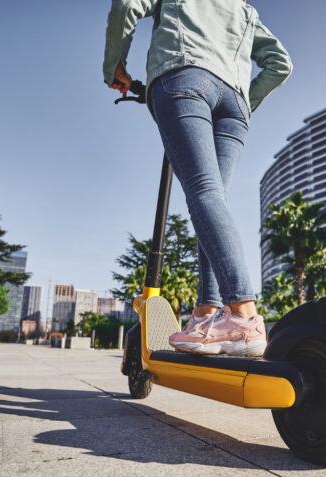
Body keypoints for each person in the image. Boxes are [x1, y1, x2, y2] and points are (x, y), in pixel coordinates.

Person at [104, 0, 291, 357]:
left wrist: (115, 65)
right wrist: (246, 101)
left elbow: (126, 4)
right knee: (212, 200)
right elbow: (281, 64)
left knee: (204, 194)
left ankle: (243, 316)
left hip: (183, 78)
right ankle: (207, 312)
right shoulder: (244, 10)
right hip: (234, 105)